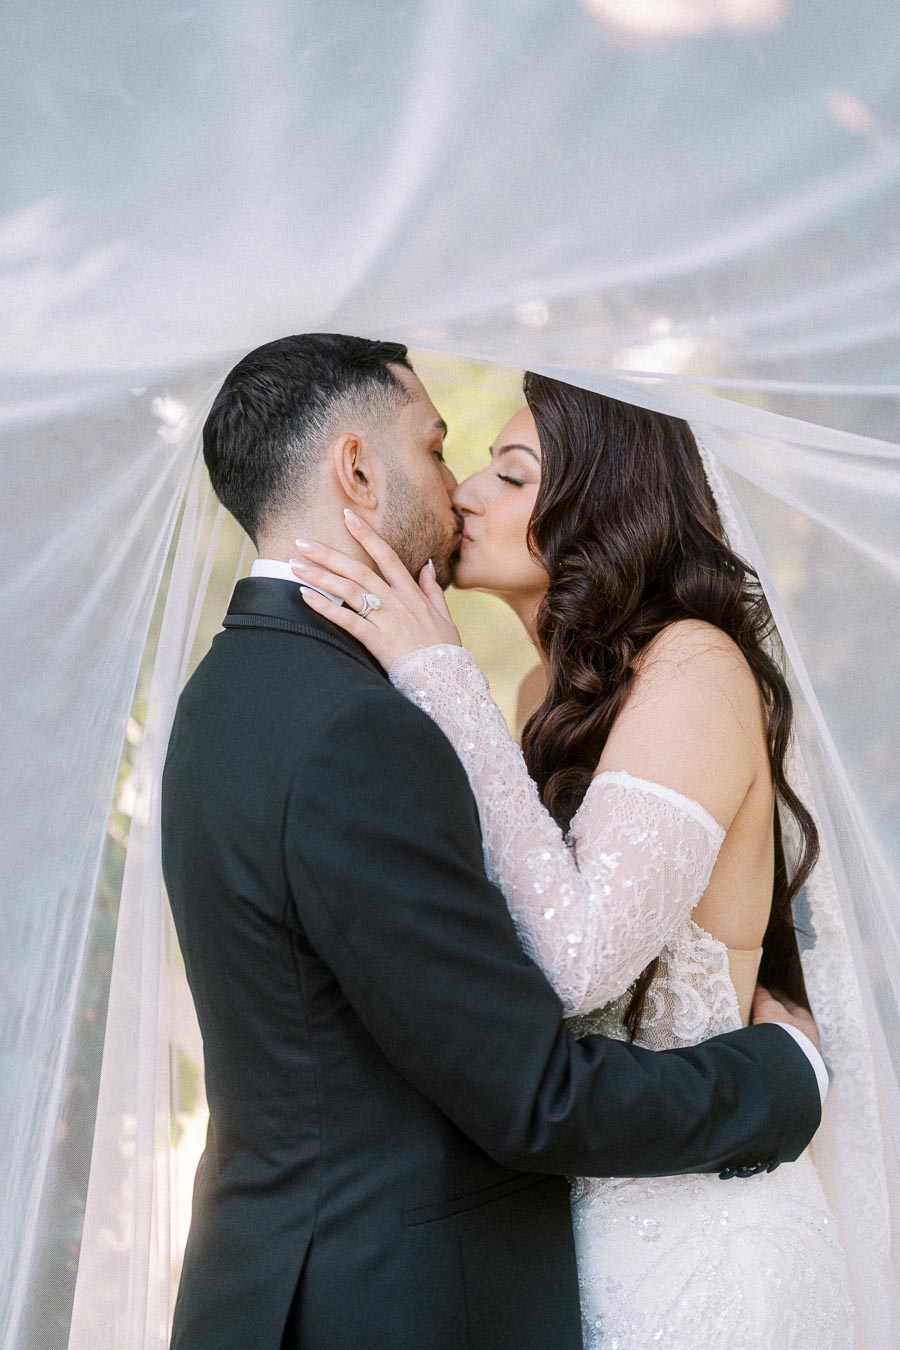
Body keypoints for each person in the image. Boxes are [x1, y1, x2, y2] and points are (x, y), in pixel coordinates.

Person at [162, 334, 827, 1350]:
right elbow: (533, 1064)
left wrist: (441, 682)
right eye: (443, 450)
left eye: (503, 471)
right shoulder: (370, 720)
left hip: (661, 1243)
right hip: (412, 1291)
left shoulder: (227, 694)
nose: (461, 487)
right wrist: (784, 1078)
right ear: (354, 468)